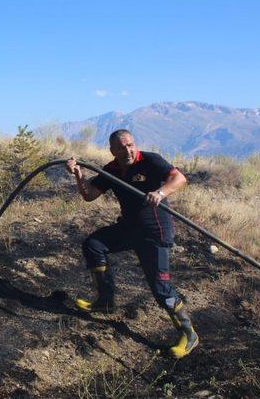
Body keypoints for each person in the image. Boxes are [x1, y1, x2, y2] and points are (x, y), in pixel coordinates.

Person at [65, 129, 198, 358]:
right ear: (112, 151)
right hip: (129, 229)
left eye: (130, 145)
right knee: (94, 244)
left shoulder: (150, 160)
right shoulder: (111, 170)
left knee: (160, 288)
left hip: (155, 233)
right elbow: (89, 195)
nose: (127, 150)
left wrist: (160, 192)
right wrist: (78, 175)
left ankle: (189, 334)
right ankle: (106, 302)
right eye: (121, 147)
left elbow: (180, 178)